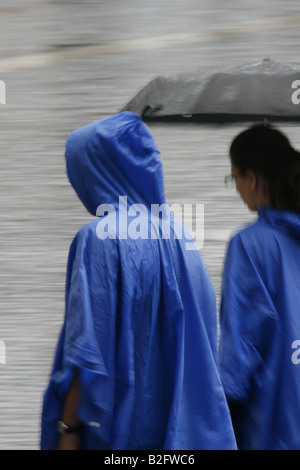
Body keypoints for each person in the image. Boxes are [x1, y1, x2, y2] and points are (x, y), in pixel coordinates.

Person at [41, 111, 236, 450]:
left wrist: (66, 431)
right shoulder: (180, 235)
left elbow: (88, 352)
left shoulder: (100, 238)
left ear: (98, 171)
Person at [219, 123, 300, 450]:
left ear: (250, 178)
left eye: (233, 178)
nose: (236, 187)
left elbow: (239, 358)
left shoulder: (250, 245)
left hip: (272, 431)